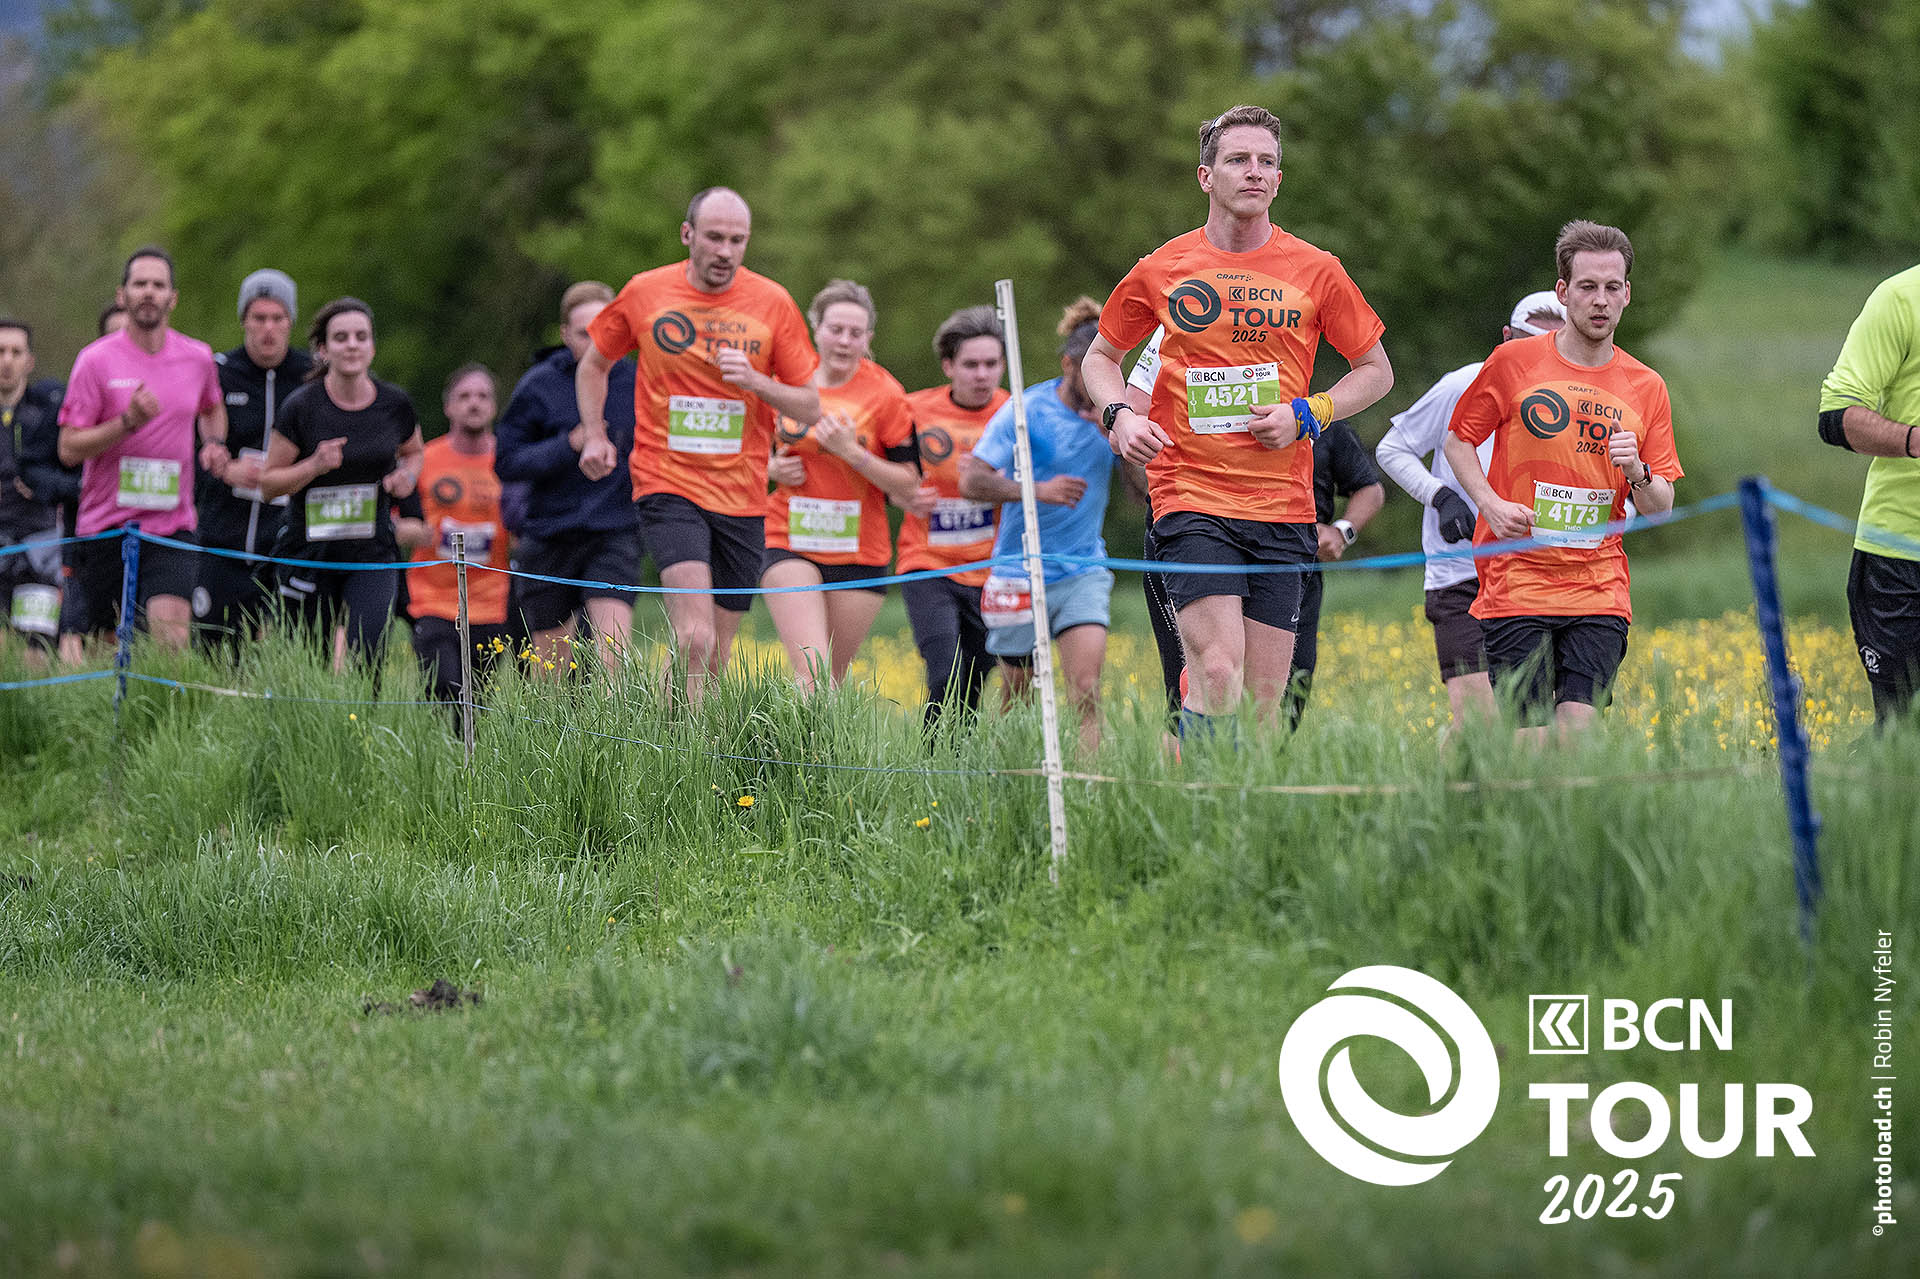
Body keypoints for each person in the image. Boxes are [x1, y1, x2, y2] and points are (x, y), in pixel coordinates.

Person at [1082, 105, 1394, 737]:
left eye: (1266, 162)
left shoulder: (1316, 269)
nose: (1254, 172)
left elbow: (1375, 372)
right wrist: (1119, 416)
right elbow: (1100, 358)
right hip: (1190, 496)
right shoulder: (1163, 267)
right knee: (1218, 669)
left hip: (1282, 505)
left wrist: (1308, 413)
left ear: (1279, 180)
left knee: (1264, 706)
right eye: (1238, 160)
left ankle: (1237, 799)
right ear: (1206, 176)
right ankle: (1202, 794)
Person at [574, 187, 820, 704]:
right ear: (688, 235)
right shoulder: (645, 291)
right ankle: (683, 746)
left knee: (715, 653)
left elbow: (810, 406)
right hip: (667, 481)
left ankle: (670, 734)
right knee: (694, 635)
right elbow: (594, 363)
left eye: (737, 240)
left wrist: (757, 381)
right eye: (714, 237)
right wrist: (594, 434)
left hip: (742, 494)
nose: (725, 251)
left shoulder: (773, 302)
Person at [1442, 221, 1681, 742]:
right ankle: (1483, 778)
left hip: (1599, 588)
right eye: (1587, 286)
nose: (1600, 300)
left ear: (1627, 294)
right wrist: (1491, 504)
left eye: (1612, 287)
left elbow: (1661, 506)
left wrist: (1638, 472)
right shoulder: (1513, 362)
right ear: (1563, 291)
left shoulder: (1646, 386)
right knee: (1530, 737)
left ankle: (1506, 780)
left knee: (1578, 737)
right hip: (1517, 581)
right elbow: (1458, 441)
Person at [1376, 290, 1566, 728]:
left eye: (1551, 349)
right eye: (1527, 346)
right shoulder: (1462, 384)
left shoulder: (1573, 399)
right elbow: (1393, 448)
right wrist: (1439, 496)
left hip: (1540, 575)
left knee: (1536, 725)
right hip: (1461, 575)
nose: (1537, 360)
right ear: (1506, 339)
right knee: (1478, 724)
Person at [961, 298, 1117, 753]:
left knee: (1086, 689)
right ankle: (1013, 777)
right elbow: (971, 480)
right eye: (1091, 374)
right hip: (1019, 570)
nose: (1100, 385)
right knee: (1019, 696)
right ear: (1069, 365)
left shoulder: (1116, 414)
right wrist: (1036, 489)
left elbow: (1143, 492)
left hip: (1083, 570)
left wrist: (1116, 438)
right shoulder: (1026, 410)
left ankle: (1090, 781)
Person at [56, 247, 227, 651]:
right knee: (108, 649)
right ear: (122, 295)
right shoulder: (95, 361)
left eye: (158, 284)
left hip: (172, 524)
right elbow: (68, 449)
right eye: (140, 284)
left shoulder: (197, 357)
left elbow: (211, 408)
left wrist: (214, 443)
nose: (149, 292)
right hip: (107, 524)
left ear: (173, 297)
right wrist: (127, 422)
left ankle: (165, 697)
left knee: (172, 637)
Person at [762, 280, 927, 694]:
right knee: (811, 672)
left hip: (859, 549)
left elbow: (909, 484)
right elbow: (743, 451)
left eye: (856, 333)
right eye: (836, 329)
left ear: (868, 338)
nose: (845, 341)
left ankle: (810, 738)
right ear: (816, 329)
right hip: (788, 539)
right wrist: (770, 468)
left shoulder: (886, 393)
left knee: (830, 682)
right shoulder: (785, 380)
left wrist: (851, 452)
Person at [259, 297, 423, 673]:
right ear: (323, 349)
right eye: (341, 337)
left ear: (372, 347)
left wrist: (407, 477)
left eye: (361, 337)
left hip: (372, 552)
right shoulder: (301, 407)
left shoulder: (395, 404)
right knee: (310, 666)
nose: (352, 345)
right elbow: (268, 485)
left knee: (369, 654)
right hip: (310, 554)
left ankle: (363, 712)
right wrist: (314, 465)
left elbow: (414, 451)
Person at [494, 281, 640, 671]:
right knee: (552, 668)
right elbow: (506, 462)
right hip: (550, 534)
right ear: (564, 335)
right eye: (583, 334)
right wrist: (567, 445)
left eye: (603, 332)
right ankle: (557, 713)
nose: (595, 344)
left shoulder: (639, 381)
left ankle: (613, 710)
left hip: (615, 532)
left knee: (612, 655)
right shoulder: (538, 385)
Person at [1816, 262, 1920, 726]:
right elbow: (1836, 416)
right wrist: (1913, 440)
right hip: (1901, 553)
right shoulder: (1901, 297)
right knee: (1901, 727)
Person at [900, 306, 1009, 730]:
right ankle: (931, 756)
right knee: (944, 671)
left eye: (991, 364)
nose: (982, 375)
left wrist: (993, 483)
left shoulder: (1015, 412)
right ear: (948, 366)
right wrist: (900, 492)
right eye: (970, 365)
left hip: (992, 567)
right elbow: (879, 465)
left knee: (975, 680)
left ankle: (951, 761)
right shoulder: (913, 409)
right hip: (927, 562)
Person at [194, 269, 314, 653]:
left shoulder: (312, 376)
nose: (268, 329)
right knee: (214, 650)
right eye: (259, 318)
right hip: (222, 539)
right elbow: (189, 448)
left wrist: (290, 475)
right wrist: (225, 470)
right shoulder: (218, 372)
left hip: (287, 543)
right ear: (244, 319)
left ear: (290, 322)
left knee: (288, 653)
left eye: (278, 318)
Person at [398, 363, 511, 716]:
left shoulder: (510, 461)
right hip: (433, 599)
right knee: (445, 686)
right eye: (464, 396)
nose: (473, 403)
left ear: (494, 406)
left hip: (492, 600)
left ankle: (459, 751)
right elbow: (393, 522)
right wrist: (413, 531)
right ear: (448, 406)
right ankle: (437, 743)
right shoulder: (425, 460)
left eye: (482, 396)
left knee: (477, 703)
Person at [0, 318, 64, 662]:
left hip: (40, 548)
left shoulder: (50, 413)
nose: (7, 361)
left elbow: (73, 474)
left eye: (16, 352)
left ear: (30, 361)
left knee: (36, 655)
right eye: (0, 351)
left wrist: (44, 485)